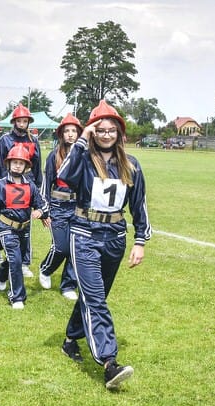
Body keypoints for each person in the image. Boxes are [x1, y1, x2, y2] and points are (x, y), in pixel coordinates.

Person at [57, 100, 151, 390]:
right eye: (101, 130)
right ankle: (109, 363)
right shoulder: (83, 158)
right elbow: (63, 176)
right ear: (93, 132)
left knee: (91, 296)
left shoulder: (131, 164)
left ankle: (71, 340)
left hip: (115, 237)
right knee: (96, 299)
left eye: (112, 130)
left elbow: (139, 205)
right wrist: (83, 140)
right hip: (84, 234)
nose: (106, 134)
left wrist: (140, 241)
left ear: (119, 133)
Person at [0, 143, 49, 309]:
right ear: (8, 164)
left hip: (24, 229)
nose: (18, 165)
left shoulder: (31, 186)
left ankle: (0, 274)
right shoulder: (0, 185)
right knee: (16, 261)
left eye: (21, 163)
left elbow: (41, 203)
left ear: (26, 166)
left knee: (14, 260)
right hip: (6, 228)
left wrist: (41, 213)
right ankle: (17, 297)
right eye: (15, 162)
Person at [0, 103, 42, 276]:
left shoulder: (33, 140)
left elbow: (37, 164)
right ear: (14, 122)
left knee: (25, 224)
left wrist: (38, 186)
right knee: (4, 220)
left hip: (28, 183)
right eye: (19, 121)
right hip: (8, 183)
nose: (22, 124)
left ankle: (25, 262)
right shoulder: (5, 140)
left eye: (25, 121)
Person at [39, 113, 81, 300]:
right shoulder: (54, 155)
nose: (71, 134)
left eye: (74, 131)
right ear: (61, 134)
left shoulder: (86, 156)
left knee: (75, 248)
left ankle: (68, 285)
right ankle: (45, 269)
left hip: (79, 208)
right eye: (67, 131)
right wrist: (44, 210)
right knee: (61, 247)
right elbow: (46, 184)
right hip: (58, 206)